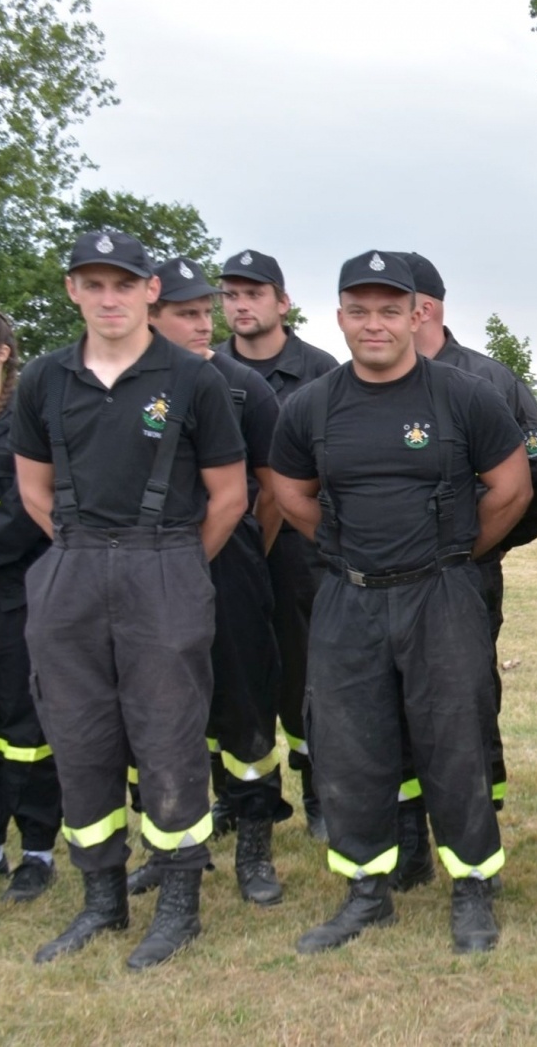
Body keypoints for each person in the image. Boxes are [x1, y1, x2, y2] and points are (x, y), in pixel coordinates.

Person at [269, 251, 528, 956]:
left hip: (440, 592)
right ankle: (366, 890)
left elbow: (512, 487)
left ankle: (472, 886)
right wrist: (349, 546)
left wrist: (455, 550)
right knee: (350, 748)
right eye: (360, 310)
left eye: (390, 309)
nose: (374, 323)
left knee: (457, 742)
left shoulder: (462, 396)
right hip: (348, 597)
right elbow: (290, 493)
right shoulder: (311, 405)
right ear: (339, 317)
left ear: (418, 314)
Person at [13, 229, 248, 968]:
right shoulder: (44, 380)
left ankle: (179, 900)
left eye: (124, 283)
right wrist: (89, 554)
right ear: (72, 291)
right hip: (72, 564)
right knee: (79, 736)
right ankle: (102, 898)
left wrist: (170, 566)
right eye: (93, 283)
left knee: (169, 735)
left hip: (166, 564)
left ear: (151, 290)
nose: (108, 297)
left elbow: (230, 494)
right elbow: (32, 486)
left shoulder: (194, 379)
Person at [389, 251, 537, 892]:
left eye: (395, 304)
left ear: (424, 308)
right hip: (383, 583)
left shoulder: (488, 380)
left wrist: (485, 545)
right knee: (394, 708)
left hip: (462, 577)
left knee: (463, 703)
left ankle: (474, 831)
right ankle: (408, 839)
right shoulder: (365, 382)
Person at [132, 257, 285, 906]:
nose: (205, 323)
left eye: (207, 309)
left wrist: (240, 553)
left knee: (245, 711)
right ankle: (166, 848)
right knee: (155, 717)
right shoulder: (121, 389)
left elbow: (273, 489)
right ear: (150, 315)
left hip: (231, 573)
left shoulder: (245, 387)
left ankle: (254, 843)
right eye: (187, 313)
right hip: (141, 579)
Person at [217, 249, 338, 841]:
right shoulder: (206, 372)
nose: (241, 305)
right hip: (227, 549)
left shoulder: (320, 371)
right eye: (231, 295)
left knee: (306, 675)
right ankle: (236, 796)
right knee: (230, 671)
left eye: (254, 294)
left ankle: (319, 792)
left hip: (297, 551)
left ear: (282, 302)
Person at [0, 309, 60, 903]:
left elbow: (22, 512)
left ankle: (37, 848)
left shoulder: (23, 421)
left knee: (26, 729)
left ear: (2, 354)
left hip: (15, 597)